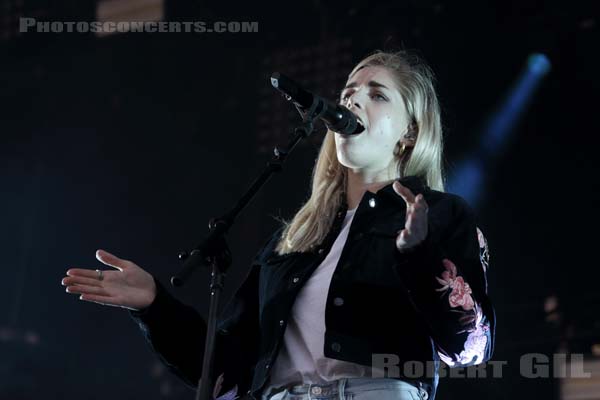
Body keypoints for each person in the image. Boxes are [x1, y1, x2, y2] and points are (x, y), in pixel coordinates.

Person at [62, 50, 495, 400]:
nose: (354, 100)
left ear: (409, 133)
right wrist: (155, 306)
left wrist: (420, 257)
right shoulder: (294, 239)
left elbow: (472, 347)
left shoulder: (440, 214)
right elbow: (226, 370)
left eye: (378, 94)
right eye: (349, 91)